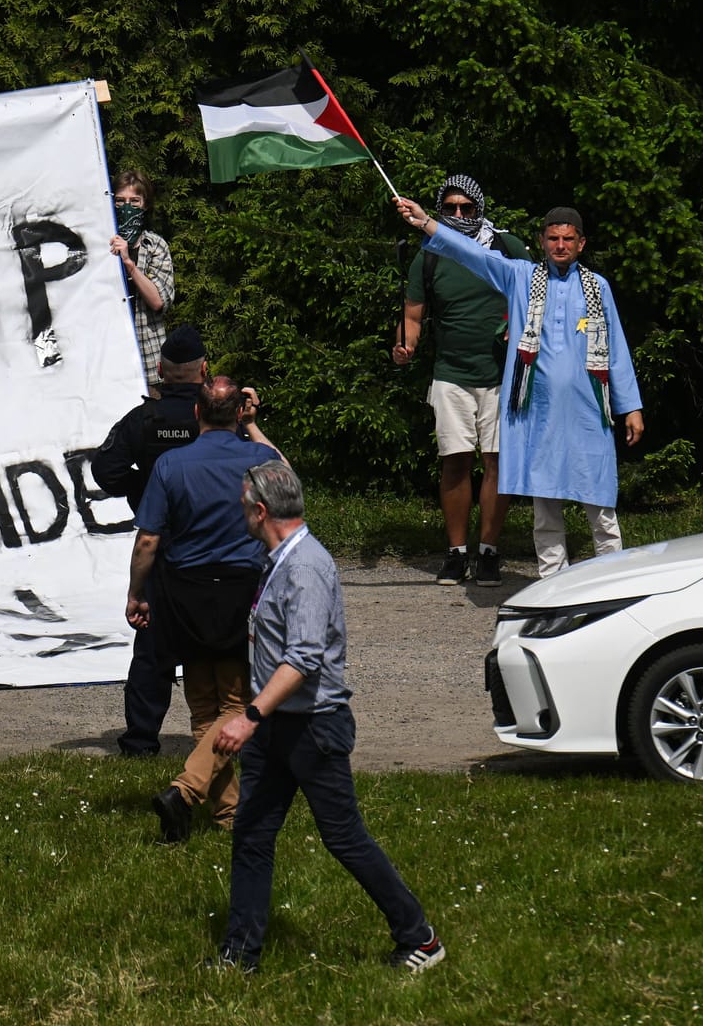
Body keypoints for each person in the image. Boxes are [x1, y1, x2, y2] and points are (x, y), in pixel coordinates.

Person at [209, 460, 444, 974]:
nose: (241, 515)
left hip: (311, 726)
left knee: (343, 837)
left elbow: (304, 658)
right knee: (251, 832)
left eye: (245, 508)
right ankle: (240, 953)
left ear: (261, 511)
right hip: (277, 727)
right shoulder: (280, 556)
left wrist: (248, 716)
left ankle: (420, 938)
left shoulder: (305, 568)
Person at [395, 197, 645, 577]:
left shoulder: (598, 288)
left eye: (568, 239)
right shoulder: (521, 277)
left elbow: (616, 349)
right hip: (540, 415)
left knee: (600, 505)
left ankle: (610, 583)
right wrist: (427, 222)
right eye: (553, 238)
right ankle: (553, 584)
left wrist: (632, 407)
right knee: (546, 507)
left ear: (581, 244)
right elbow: (470, 254)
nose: (560, 246)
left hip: (589, 413)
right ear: (542, 241)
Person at [127, 378, 281, 841]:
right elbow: (287, 479)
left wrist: (136, 592)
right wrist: (254, 428)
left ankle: (225, 814)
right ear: (238, 412)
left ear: (196, 413)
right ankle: (190, 791)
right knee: (234, 704)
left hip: (184, 592)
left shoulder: (171, 463)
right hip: (240, 589)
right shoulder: (257, 458)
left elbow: (149, 540)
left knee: (202, 707)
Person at [391, 175, 531, 586]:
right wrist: (405, 345)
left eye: (465, 208)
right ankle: (456, 554)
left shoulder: (506, 247)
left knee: (497, 462)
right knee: (455, 460)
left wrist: (517, 326)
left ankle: (488, 551)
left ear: (479, 209)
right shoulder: (430, 255)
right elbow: (412, 316)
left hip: (502, 374)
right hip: (451, 373)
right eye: (449, 208)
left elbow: (535, 296)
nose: (457, 215)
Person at [92, 324, 208, 757]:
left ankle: (140, 741)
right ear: (204, 371)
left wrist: (144, 490)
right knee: (219, 647)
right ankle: (223, 737)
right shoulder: (215, 417)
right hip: (214, 548)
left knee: (153, 650)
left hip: (161, 547)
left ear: (159, 369)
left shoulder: (143, 420)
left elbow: (105, 472)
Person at [110, 170, 175, 388]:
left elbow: (158, 301)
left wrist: (129, 264)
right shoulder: (102, 245)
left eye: (134, 201)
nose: (127, 207)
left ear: (145, 205)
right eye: (120, 201)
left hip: (149, 366)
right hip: (112, 364)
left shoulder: (155, 246)